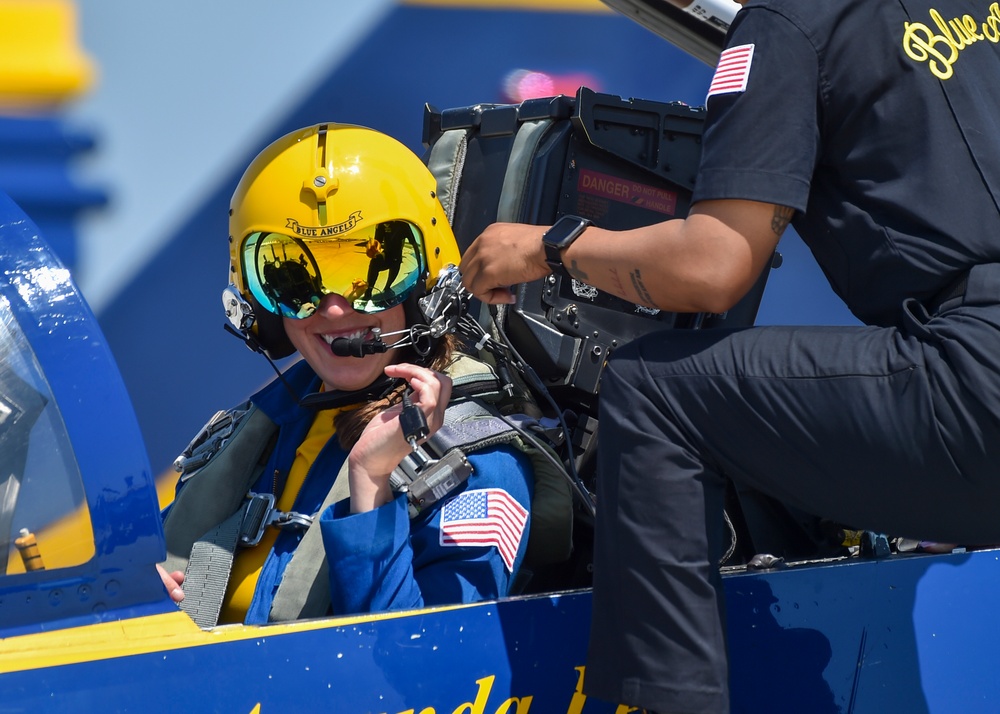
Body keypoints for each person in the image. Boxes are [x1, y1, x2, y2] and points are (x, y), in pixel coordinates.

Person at [459, 1, 1000, 712]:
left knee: (657, 392)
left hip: (979, 370)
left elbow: (714, 266)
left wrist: (548, 245)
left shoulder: (788, 23)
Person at [157, 122, 536, 628]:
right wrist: (145, 603)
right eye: (293, 280)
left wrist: (371, 481)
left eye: (374, 274)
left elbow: (427, 673)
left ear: (423, 286)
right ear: (261, 307)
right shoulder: (258, 436)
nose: (335, 311)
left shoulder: (480, 467)